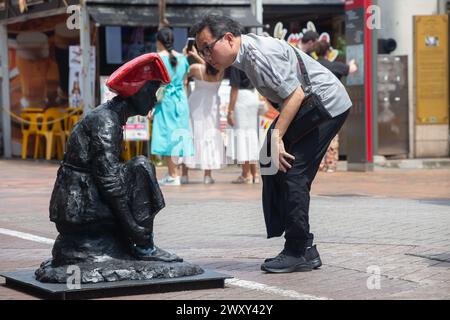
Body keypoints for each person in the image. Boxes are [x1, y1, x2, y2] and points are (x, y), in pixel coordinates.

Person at [191, 15, 352, 273]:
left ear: (229, 38)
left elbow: (295, 94)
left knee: (292, 170)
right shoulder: (244, 56)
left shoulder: (256, 55)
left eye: (208, 47)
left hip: (325, 104)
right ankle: (300, 243)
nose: (207, 55)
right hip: (311, 105)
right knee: (269, 158)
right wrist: (275, 138)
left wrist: (277, 136)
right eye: (201, 51)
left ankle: (298, 249)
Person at [49, 53, 181, 262]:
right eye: (152, 91)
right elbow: (108, 181)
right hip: (79, 206)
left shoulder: (109, 116)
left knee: (138, 166)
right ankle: (144, 246)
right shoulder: (107, 122)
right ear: (137, 92)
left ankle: (141, 243)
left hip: (80, 198)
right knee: (141, 166)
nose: (155, 99)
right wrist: (133, 227)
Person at [151, 27, 193, 186]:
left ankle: (172, 174)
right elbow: (185, 80)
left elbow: (156, 83)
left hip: (166, 100)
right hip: (181, 100)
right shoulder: (182, 58)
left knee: (167, 135)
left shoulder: (157, 58)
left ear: (158, 41)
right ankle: (176, 174)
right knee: (179, 135)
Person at [181, 47, 225, 184]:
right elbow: (209, 67)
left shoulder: (196, 68)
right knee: (209, 138)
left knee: (191, 135)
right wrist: (200, 57)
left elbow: (183, 74)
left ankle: (184, 174)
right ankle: (207, 175)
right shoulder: (221, 71)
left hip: (195, 105)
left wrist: (188, 55)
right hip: (211, 108)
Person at [314, 40, 358, 172]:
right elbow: (352, 69)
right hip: (333, 105)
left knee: (317, 134)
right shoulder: (334, 66)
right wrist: (351, 63)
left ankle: (319, 164)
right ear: (328, 52)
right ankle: (331, 164)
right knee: (332, 135)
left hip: (316, 105)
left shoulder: (314, 65)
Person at [227, 66, 260, 184]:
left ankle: (246, 174)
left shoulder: (236, 63)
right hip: (253, 96)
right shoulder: (251, 60)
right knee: (251, 135)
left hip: (241, 98)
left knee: (242, 136)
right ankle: (254, 173)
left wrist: (230, 110)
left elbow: (234, 88)